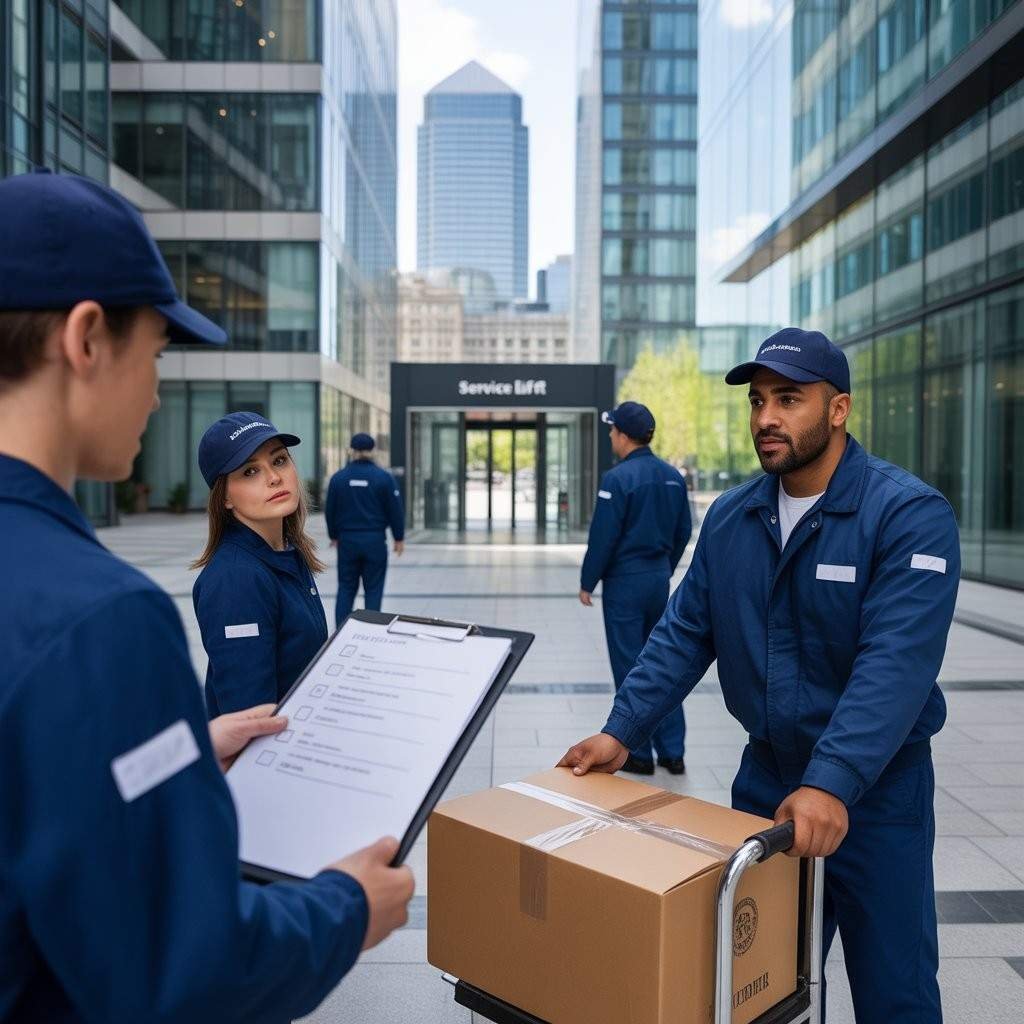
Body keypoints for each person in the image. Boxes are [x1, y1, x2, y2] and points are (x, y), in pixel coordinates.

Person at [0, 170, 413, 1024]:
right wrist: (345, 908)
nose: (154, 392)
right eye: (154, 354)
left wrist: (186, 742)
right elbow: (180, 968)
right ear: (86, 339)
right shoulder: (102, 618)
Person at [559, 328, 959, 1024]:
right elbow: (685, 631)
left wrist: (832, 780)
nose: (767, 418)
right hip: (767, 784)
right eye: (758, 401)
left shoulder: (906, 515)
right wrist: (621, 730)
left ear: (839, 410)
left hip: (874, 793)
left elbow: (895, 665)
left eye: (789, 399)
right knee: (753, 986)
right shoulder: (733, 518)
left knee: (895, 988)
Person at [579, 401, 692, 775]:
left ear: (623, 435)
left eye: (612, 430)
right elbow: (683, 532)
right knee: (664, 663)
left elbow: (604, 537)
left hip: (625, 584)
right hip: (658, 580)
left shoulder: (617, 479)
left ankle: (638, 753)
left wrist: (587, 581)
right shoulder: (673, 477)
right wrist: (664, 567)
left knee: (630, 665)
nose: (610, 436)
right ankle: (673, 752)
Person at [192, 412, 328, 718]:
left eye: (279, 460)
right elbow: (249, 716)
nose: (274, 477)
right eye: (250, 471)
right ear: (224, 497)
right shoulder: (236, 580)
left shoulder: (286, 553)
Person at [325, 432, 405, 627]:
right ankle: (371, 632)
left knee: (346, 587)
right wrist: (398, 538)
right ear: (372, 451)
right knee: (374, 589)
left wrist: (334, 535)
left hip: (347, 541)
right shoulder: (384, 478)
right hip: (374, 541)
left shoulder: (338, 478)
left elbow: (330, 510)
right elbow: (395, 510)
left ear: (351, 451)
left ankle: (340, 632)